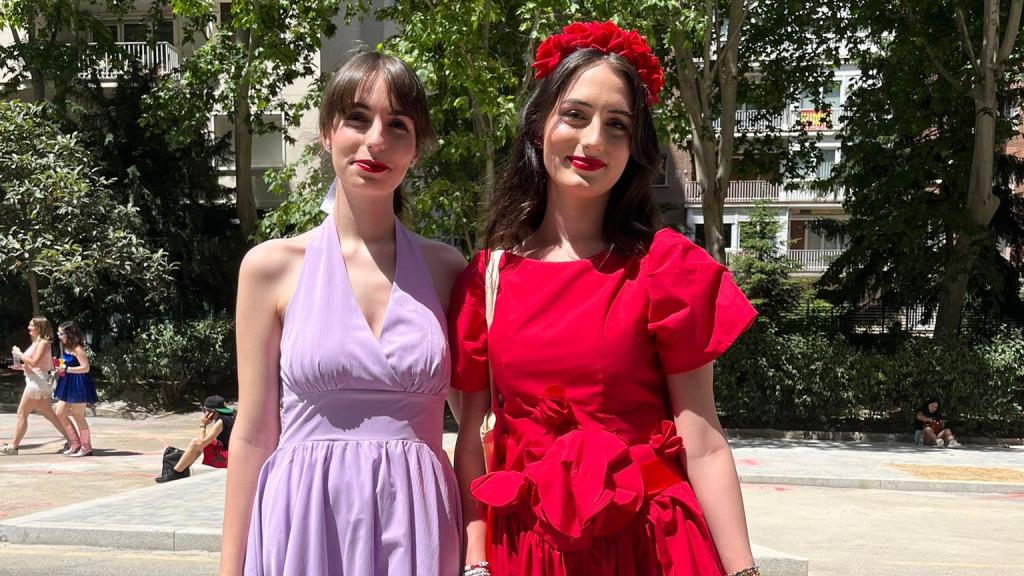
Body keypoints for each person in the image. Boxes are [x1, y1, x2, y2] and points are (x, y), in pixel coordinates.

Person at [450, 21, 761, 576]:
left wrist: (744, 571)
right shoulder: (486, 279)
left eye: (616, 125)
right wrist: (475, 562)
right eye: (575, 115)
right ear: (539, 125)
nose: (593, 140)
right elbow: (474, 441)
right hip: (526, 552)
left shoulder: (666, 268)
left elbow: (705, 442)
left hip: (652, 546)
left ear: (634, 148)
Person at [220, 51, 467, 576]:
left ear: (415, 148)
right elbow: (253, 433)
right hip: (305, 521)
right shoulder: (270, 268)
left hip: (420, 522)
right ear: (328, 132)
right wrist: (229, 569)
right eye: (357, 118)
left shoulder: (448, 269)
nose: (376, 139)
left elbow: (476, 426)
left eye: (397, 124)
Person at [0, 317, 70, 456]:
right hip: (37, 380)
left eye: (32, 325)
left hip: (37, 383)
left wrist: (19, 354)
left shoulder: (43, 342)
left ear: (39, 327)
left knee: (21, 413)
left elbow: (35, 362)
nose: (28, 327)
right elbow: (36, 365)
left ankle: (13, 446)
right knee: (49, 414)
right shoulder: (37, 342)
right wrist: (21, 367)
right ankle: (72, 440)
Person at [155, 395, 236, 483]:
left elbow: (202, 443)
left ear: (212, 412)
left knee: (196, 443)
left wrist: (203, 425)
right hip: (235, 455)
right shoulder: (231, 417)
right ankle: (182, 469)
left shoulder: (221, 422)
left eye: (205, 411)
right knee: (200, 443)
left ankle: (176, 473)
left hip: (228, 458)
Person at [52, 321, 98, 457]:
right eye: (58, 333)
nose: (59, 336)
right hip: (67, 382)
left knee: (78, 415)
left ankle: (86, 447)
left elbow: (86, 367)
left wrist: (67, 369)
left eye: (61, 333)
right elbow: (64, 363)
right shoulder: (65, 348)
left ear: (69, 334)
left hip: (78, 383)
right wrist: (59, 369)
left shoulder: (78, 349)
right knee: (60, 412)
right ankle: (75, 443)